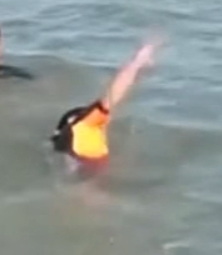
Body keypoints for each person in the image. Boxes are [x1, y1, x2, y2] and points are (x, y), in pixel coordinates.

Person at [48, 36, 161, 176]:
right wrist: (137, 62)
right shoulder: (84, 127)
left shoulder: (72, 144)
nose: (105, 120)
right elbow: (111, 97)